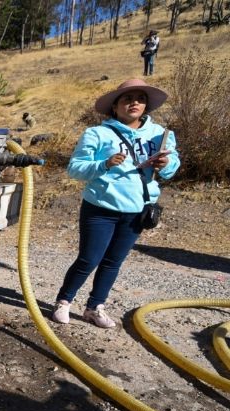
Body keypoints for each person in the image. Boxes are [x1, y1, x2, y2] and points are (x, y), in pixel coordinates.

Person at [51, 79, 179, 328]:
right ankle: (64, 301)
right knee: (89, 258)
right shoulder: (97, 133)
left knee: (113, 261)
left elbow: (172, 169)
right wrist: (104, 164)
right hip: (100, 208)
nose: (134, 103)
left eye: (140, 98)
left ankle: (94, 307)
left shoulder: (161, 135)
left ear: (146, 106)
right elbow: (75, 169)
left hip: (137, 209)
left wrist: (166, 166)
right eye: (127, 98)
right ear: (115, 106)